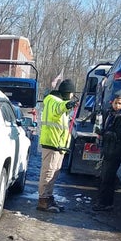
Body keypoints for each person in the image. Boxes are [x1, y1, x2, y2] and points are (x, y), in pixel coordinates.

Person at [37, 78, 77, 212]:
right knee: (48, 172)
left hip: (58, 144)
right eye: (71, 93)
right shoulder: (53, 101)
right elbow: (58, 108)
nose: (72, 96)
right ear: (67, 93)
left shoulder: (58, 101)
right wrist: (68, 105)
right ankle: (43, 200)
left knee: (54, 173)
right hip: (51, 143)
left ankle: (48, 197)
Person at [92, 92, 121, 211]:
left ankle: (105, 203)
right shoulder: (112, 114)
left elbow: (119, 136)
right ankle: (103, 201)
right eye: (115, 103)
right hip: (108, 150)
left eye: (119, 103)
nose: (117, 106)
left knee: (107, 179)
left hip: (114, 153)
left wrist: (104, 133)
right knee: (104, 178)